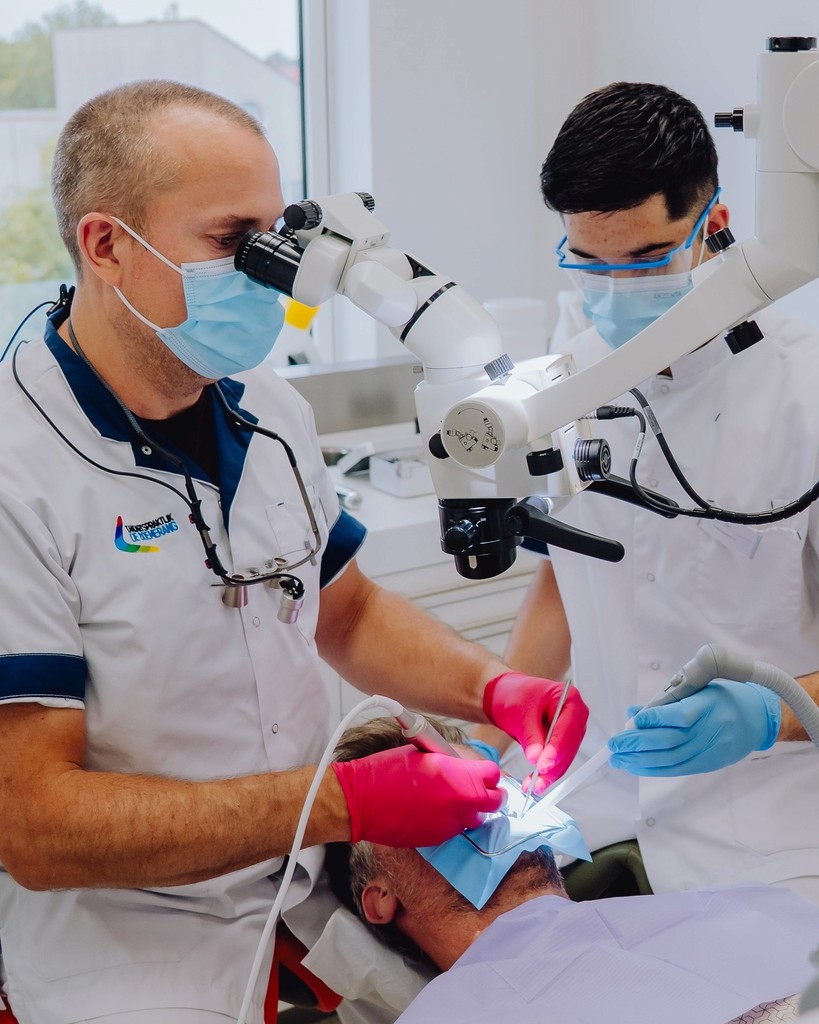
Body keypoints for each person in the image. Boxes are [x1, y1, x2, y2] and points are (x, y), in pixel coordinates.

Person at [0, 80, 590, 1024]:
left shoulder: (267, 408)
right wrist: (349, 807)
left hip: (301, 891)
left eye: (278, 241)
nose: (268, 273)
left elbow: (345, 612)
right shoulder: (16, 473)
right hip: (127, 933)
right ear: (106, 245)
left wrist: (496, 690)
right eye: (233, 244)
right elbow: (34, 825)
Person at [478, 81, 819, 903]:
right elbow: (571, 565)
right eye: (590, 263)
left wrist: (768, 712)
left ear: (716, 228)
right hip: (597, 806)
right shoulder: (572, 367)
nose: (615, 293)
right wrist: (501, 728)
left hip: (771, 824)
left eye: (645, 261)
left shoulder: (804, 390)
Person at [323, 717, 819, 1024]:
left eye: (490, 784)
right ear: (380, 898)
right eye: (431, 799)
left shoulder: (745, 908)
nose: (486, 807)